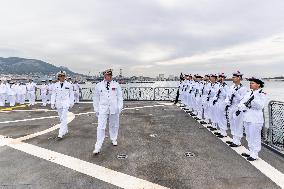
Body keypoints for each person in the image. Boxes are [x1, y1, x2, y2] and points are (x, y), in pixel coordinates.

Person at [92, 69, 123, 155]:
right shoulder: (98, 85)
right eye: (106, 75)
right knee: (101, 127)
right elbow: (96, 98)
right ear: (104, 76)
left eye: (109, 75)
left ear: (111, 76)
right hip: (103, 109)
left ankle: (114, 139)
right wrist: (96, 109)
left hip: (114, 108)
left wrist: (119, 108)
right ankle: (98, 146)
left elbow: (120, 97)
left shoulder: (116, 85)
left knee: (114, 125)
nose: (108, 77)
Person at [238, 78, 267, 161]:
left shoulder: (262, 94)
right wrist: (241, 106)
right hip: (247, 117)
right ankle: (251, 151)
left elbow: (260, 106)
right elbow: (242, 101)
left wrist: (253, 100)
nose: (250, 84)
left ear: (258, 85)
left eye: (253, 83)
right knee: (249, 136)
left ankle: (255, 154)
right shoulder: (249, 93)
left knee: (255, 136)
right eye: (250, 83)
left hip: (255, 119)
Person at [225, 71, 248, 147]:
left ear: (239, 78)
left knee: (238, 125)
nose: (233, 78)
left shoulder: (243, 89)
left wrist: (236, 93)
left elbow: (243, 100)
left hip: (238, 108)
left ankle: (238, 141)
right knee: (232, 123)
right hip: (231, 107)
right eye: (233, 77)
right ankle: (234, 139)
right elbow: (228, 96)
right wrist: (227, 101)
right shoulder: (231, 87)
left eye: (234, 77)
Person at [51, 71, 74, 139]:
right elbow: (53, 94)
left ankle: (60, 134)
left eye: (63, 76)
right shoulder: (55, 85)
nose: (62, 77)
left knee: (63, 117)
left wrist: (71, 102)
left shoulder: (69, 84)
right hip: (58, 103)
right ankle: (65, 130)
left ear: (65, 77)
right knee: (61, 117)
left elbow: (71, 94)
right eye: (60, 76)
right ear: (58, 77)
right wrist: (52, 103)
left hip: (66, 102)